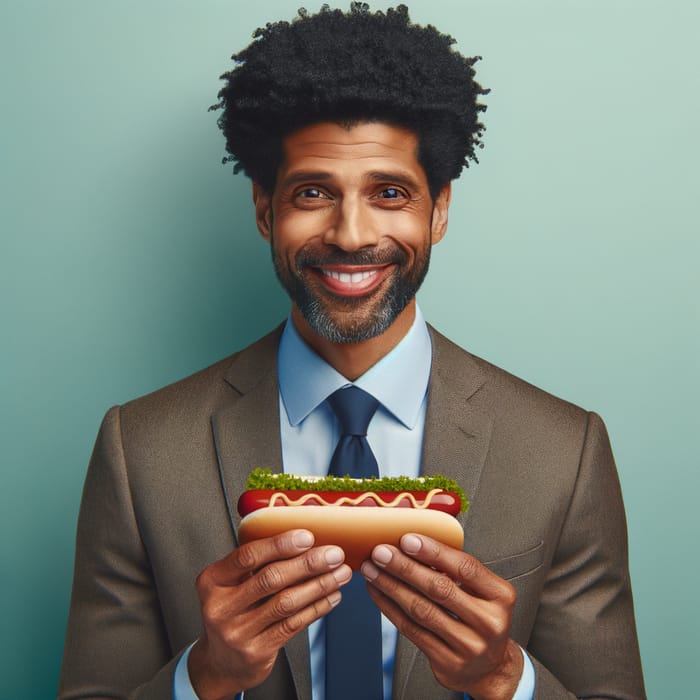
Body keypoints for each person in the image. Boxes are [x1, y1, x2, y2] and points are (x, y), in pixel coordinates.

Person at [58, 4, 646, 699]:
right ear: (263, 209)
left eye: (390, 193)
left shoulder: (562, 451)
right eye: (313, 192)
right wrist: (204, 675)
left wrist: (503, 677)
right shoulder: (141, 450)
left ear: (440, 209)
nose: (350, 234)